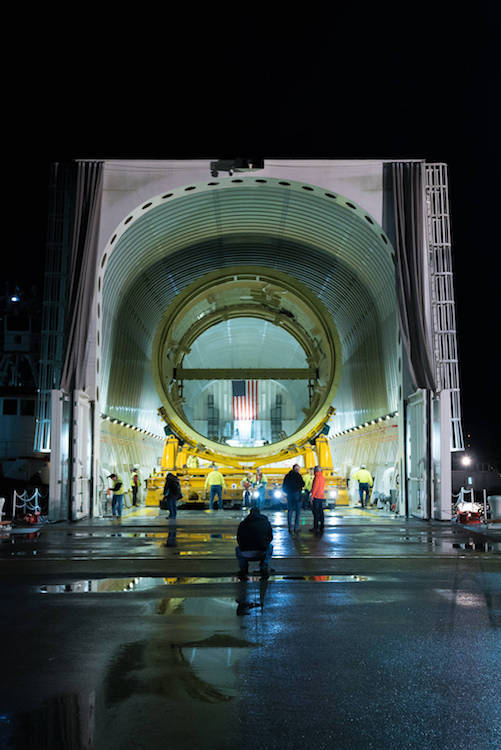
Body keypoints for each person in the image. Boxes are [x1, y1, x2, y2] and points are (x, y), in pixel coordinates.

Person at [235, 507, 274, 580]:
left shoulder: (243, 523)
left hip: (245, 553)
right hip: (261, 552)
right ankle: (264, 566)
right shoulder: (266, 522)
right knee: (270, 547)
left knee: (237, 549)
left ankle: (243, 569)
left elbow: (238, 538)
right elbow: (270, 537)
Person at [282, 463, 305, 533]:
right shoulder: (298, 476)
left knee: (290, 511)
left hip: (289, 495)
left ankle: (290, 528)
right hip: (297, 495)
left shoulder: (287, 476)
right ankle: (296, 527)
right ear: (297, 469)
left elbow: (284, 486)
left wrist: (287, 492)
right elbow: (303, 484)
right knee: (298, 512)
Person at [310, 465, 325, 534]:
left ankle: (315, 527)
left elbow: (315, 487)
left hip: (316, 497)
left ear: (315, 471)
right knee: (321, 512)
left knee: (315, 513)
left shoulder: (317, 477)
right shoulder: (322, 477)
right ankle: (322, 526)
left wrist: (312, 496)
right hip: (321, 496)